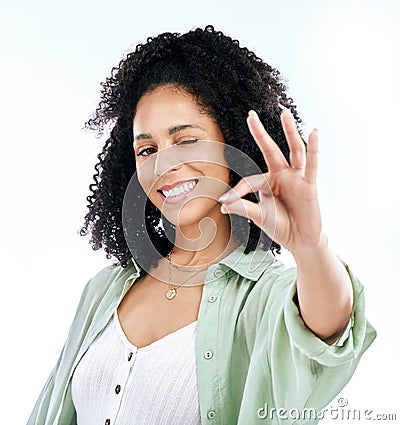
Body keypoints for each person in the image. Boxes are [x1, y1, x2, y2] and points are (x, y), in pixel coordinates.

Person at [28, 26, 376, 425]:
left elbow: (330, 328)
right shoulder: (103, 291)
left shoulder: (264, 297)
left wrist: (311, 247)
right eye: (147, 149)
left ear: (232, 143)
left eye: (186, 141)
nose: (164, 164)